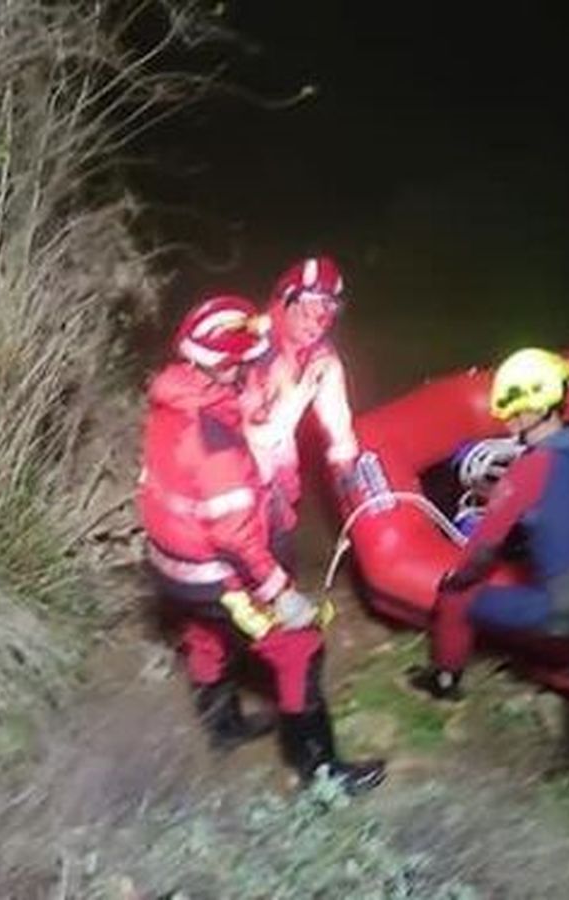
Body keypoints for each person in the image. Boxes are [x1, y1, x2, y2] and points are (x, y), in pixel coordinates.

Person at [137, 294, 385, 793]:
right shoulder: (216, 444)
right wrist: (280, 593)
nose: (251, 369)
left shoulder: (171, 400)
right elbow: (234, 536)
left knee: (206, 637)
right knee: (300, 649)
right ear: (225, 364)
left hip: (169, 565)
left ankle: (223, 728)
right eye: (243, 362)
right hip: (213, 576)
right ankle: (318, 773)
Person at [407, 348, 569, 756]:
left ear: (537, 407)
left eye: (515, 411)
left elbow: (482, 551)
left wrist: (460, 579)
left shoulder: (530, 469)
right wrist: (507, 498)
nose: (508, 421)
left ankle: (444, 682)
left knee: (456, 595)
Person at [242, 256, 360, 558]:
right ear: (287, 301)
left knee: (281, 545)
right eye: (310, 308)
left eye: (329, 310)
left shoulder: (322, 360)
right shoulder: (247, 346)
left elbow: (337, 422)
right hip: (235, 468)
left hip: (279, 461)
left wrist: (347, 473)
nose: (319, 321)